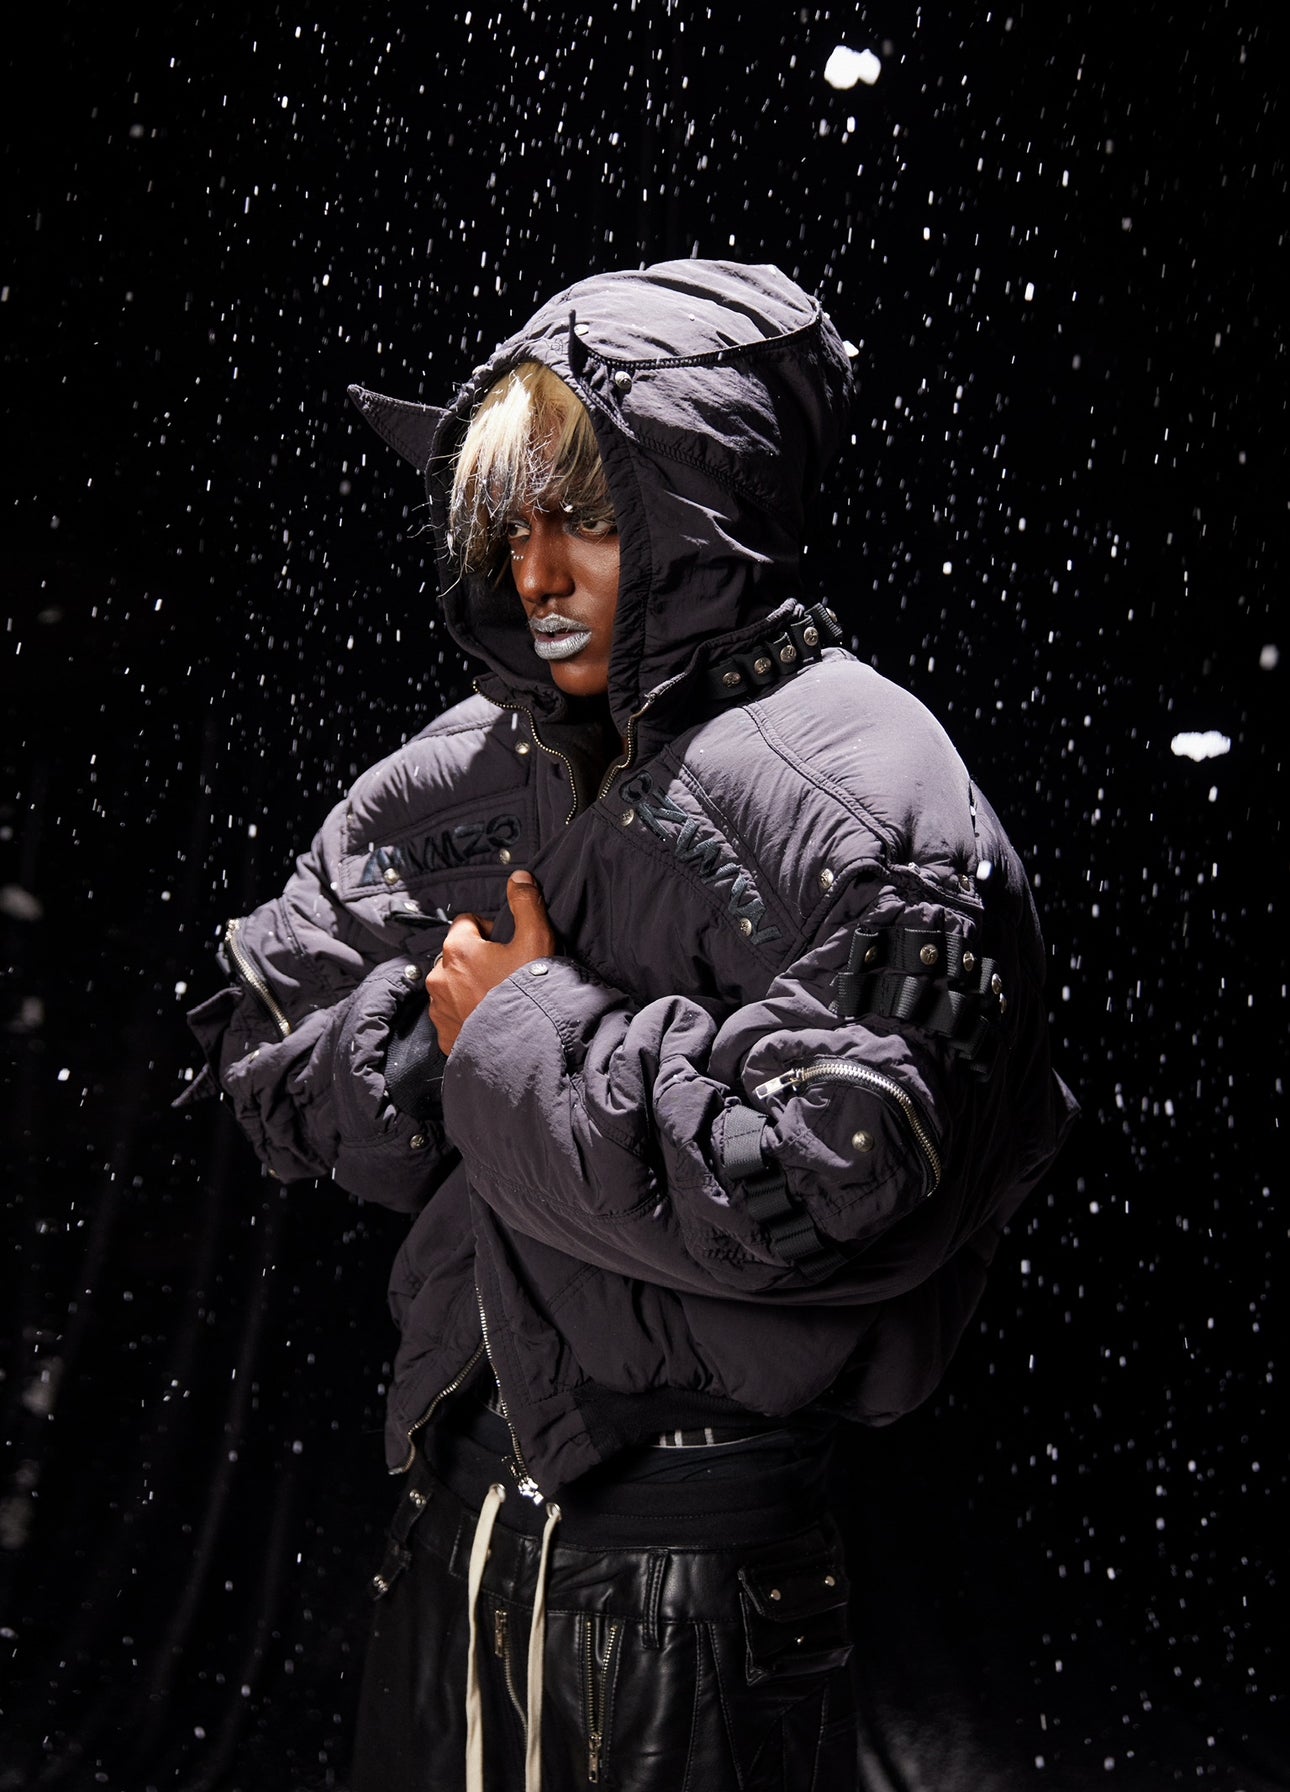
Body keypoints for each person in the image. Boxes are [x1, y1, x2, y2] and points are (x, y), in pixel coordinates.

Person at [183, 259, 1075, 1791]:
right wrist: (421, 1040)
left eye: (584, 518)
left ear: (698, 507)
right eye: (506, 522)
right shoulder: (464, 769)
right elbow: (260, 1054)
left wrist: (517, 1031)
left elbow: (837, 1186)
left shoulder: (867, 791)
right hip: (448, 1537)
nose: (536, 574)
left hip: (691, 1591)